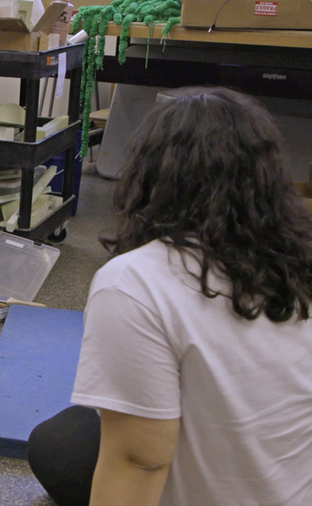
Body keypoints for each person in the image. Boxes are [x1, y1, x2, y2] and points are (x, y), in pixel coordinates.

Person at [27, 87, 312, 506]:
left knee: (62, 444)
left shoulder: (135, 281)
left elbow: (140, 463)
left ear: (150, 176)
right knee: (70, 433)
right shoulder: (298, 259)